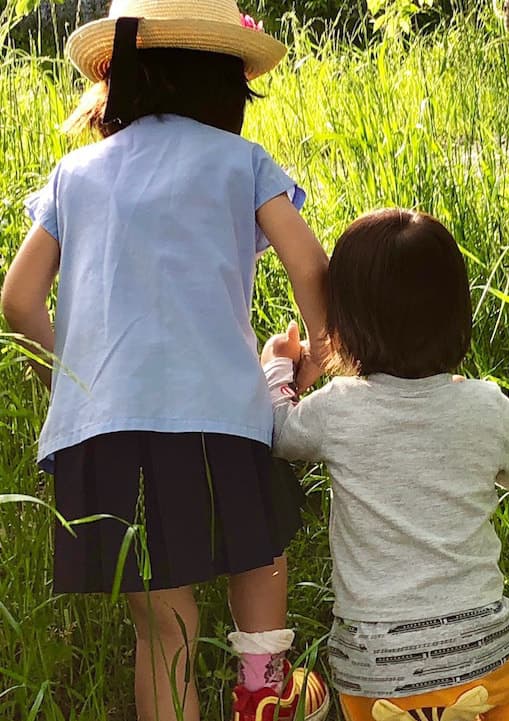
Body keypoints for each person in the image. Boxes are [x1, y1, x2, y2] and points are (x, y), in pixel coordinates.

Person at [1, 1, 330, 719]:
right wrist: (321, 353)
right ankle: (260, 689)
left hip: (102, 435)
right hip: (219, 414)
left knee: (164, 630)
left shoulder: (74, 172)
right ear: (225, 83)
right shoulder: (240, 161)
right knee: (259, 551)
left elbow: (19, 302)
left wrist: (75, 382)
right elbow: (309, 261)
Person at [260, 208, 509, 721]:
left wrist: (278, 364)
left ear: (342, 321)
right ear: (457, 313)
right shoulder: (485, 405)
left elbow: (278, 431)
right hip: (489, 660)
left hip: (378, 676)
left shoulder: (338, 408)